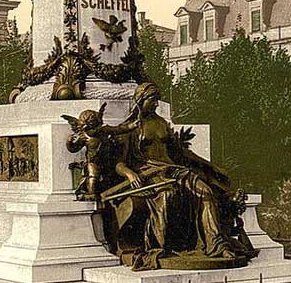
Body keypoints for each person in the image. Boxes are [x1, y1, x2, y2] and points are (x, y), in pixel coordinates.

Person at [103, 82, 256, 270]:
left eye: (157, 99)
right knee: (167, 197)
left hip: (174, 170)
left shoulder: (161, 124)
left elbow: (181, 154)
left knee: (206, 191)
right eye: (152, 100)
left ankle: (217, 245)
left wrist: (210, 166)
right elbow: (119, 162)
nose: (157, 104)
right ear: (141, 100)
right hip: (149, 174)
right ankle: (165, 246)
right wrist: (130, 174)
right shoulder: (130, 128)